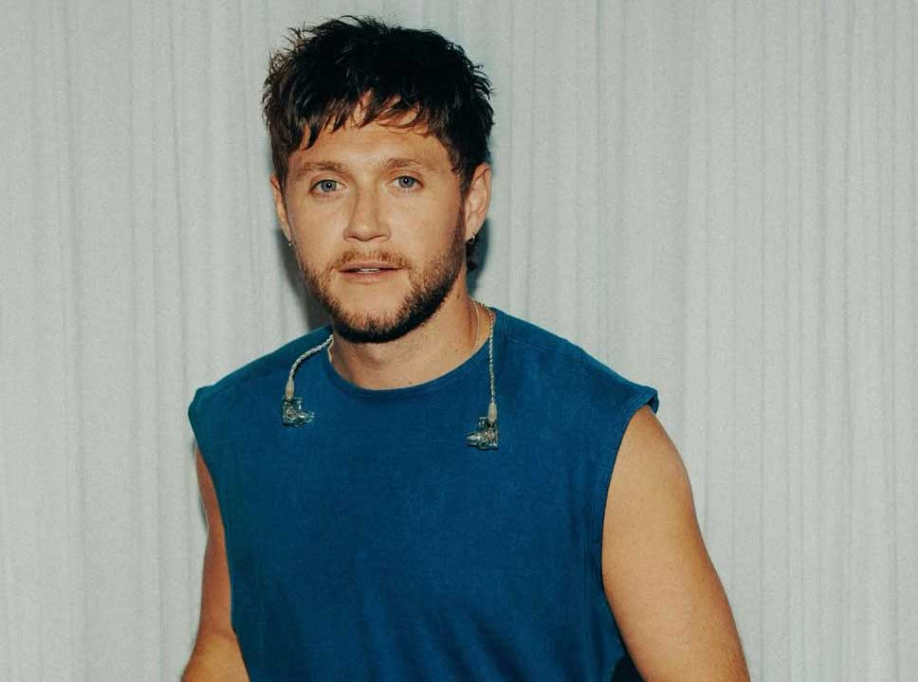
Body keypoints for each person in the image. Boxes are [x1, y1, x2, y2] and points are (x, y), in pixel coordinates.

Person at [183, 16, 748, 682]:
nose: (364, 225)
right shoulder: (236, 424)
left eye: (404, 181)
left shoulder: (601, 441)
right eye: (327, 184)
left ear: (472, 201)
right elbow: (227, 645)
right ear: (284, 208)